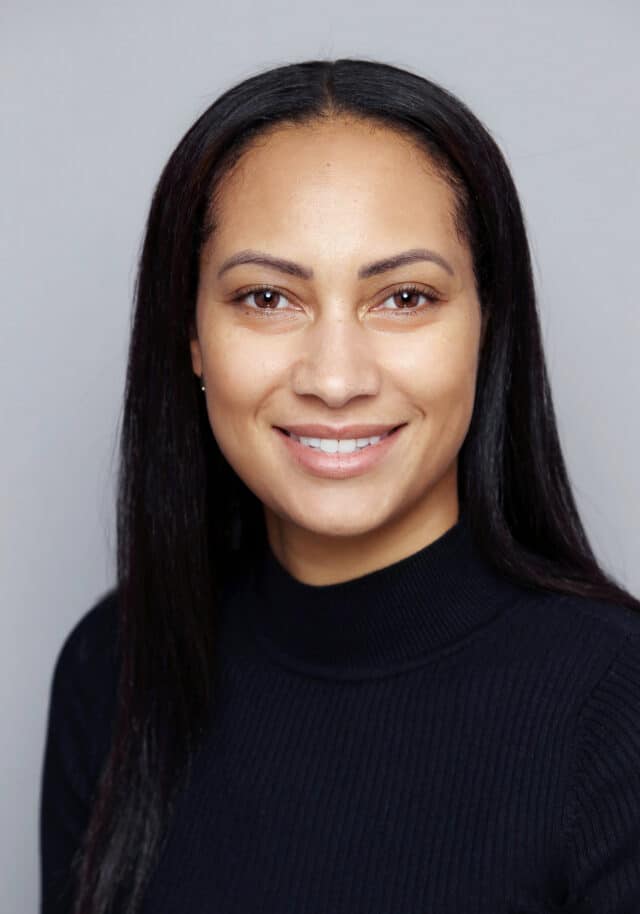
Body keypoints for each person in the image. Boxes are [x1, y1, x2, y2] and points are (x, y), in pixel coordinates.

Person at [39, 58, 640, 914]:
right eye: (266, 298)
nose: (334, 378)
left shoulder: (616, 706)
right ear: (192, 336)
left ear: (488, 324)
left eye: (405, 297)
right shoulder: (113, 670)